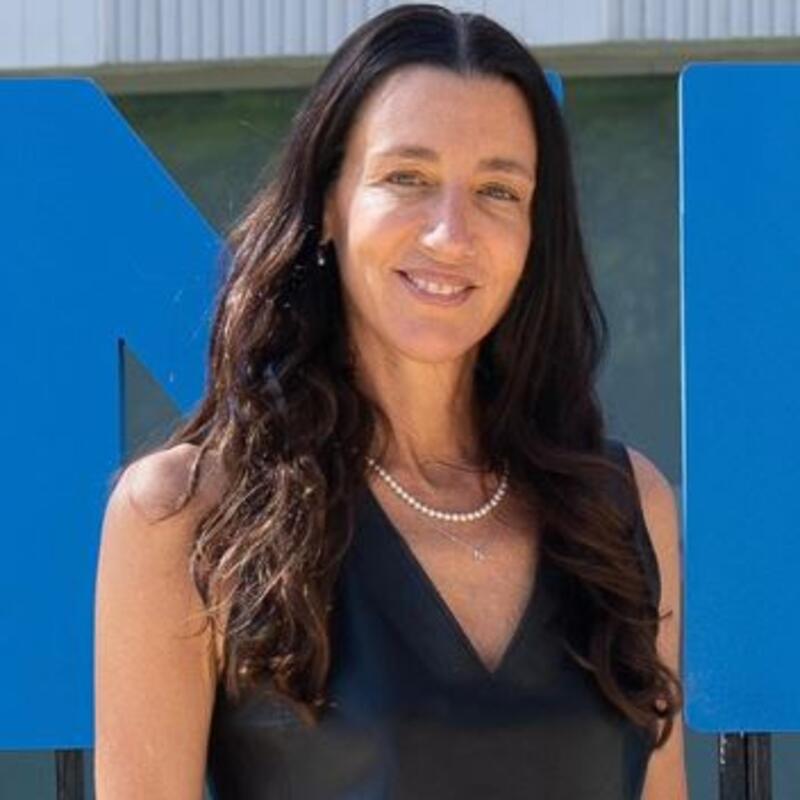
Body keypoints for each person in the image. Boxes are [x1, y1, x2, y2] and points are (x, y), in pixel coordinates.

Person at [93, 4, 687, 798]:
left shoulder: (622, 512)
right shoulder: (187, 516)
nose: (450, 234)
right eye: (407, 177)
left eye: (498, 190)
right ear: (329, 203)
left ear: (533, 236)